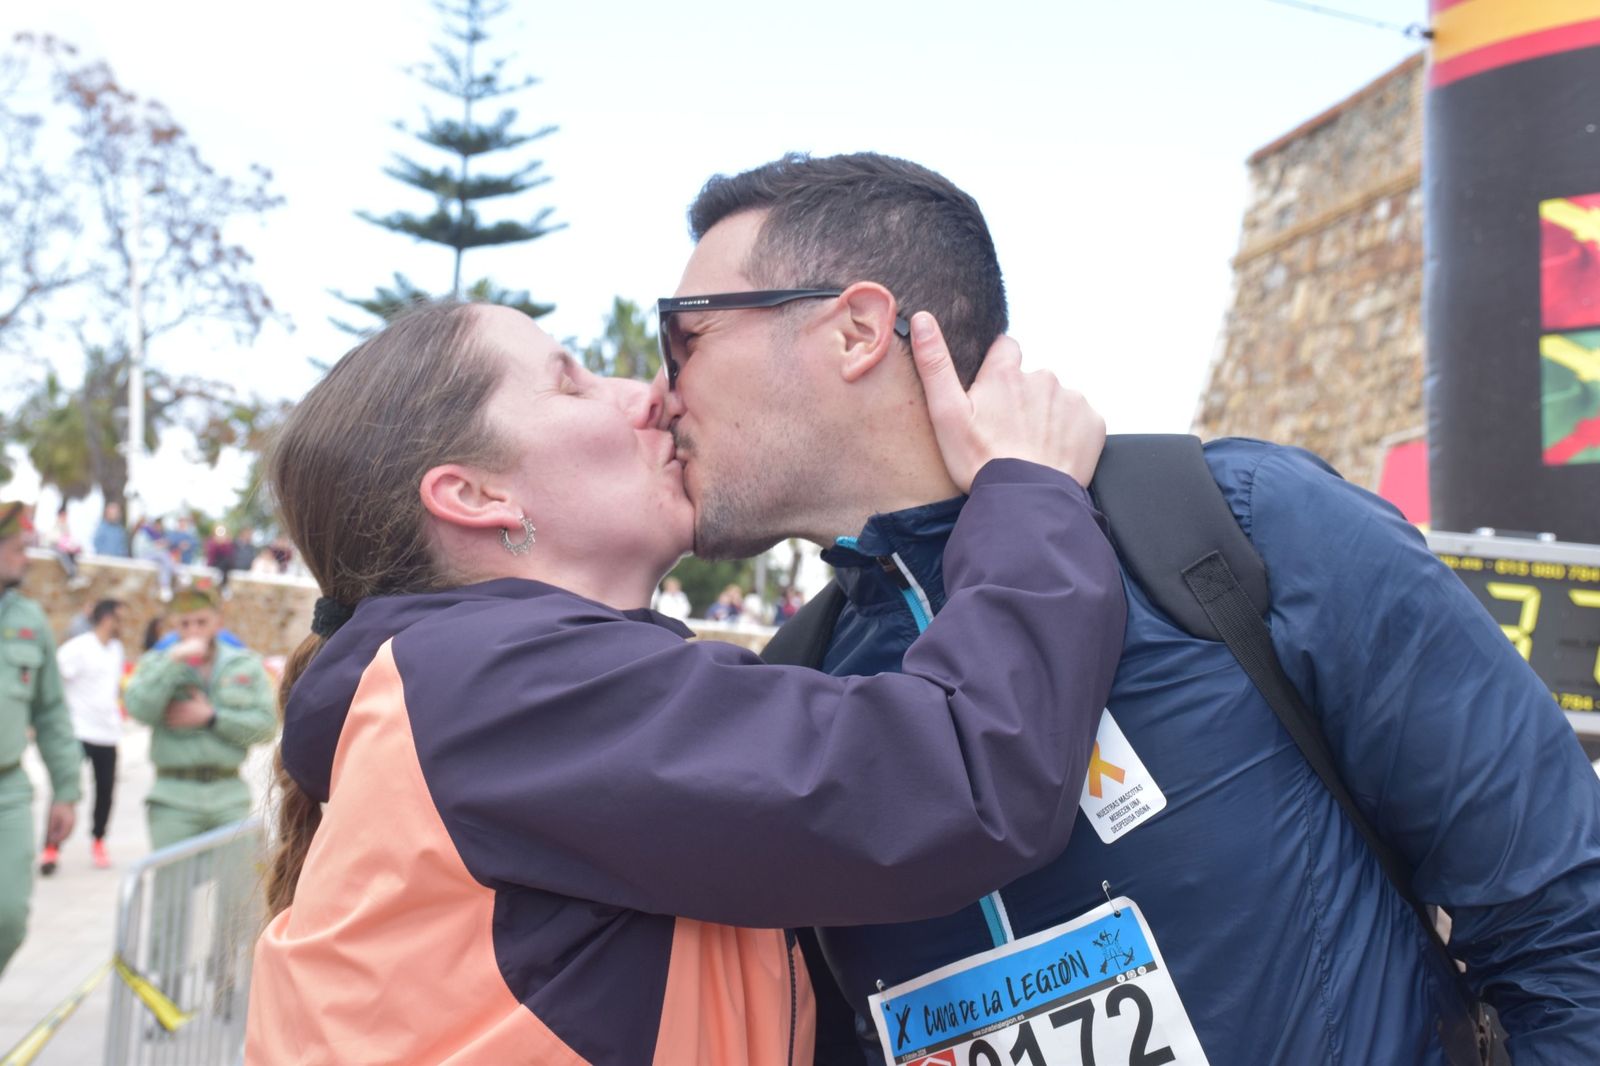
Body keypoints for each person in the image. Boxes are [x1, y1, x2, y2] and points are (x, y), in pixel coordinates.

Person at [651, 151, 1600, 1065]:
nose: (661, 394)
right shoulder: (797, 686)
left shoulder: (1240, 527)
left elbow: (1568, 933)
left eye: (684, 334)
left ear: (858, 331)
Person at [243, 300, 1125, 1064]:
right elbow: (960, 779)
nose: (648, 395)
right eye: (574, 383)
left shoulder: (463, 691)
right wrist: (1031, 489)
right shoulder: (487, 684)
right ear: (474, 496)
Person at [124, 587, 275, 849]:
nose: (194, 630)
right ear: (174, 626)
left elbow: (266, 727)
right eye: (185, 623)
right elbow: (138, 709)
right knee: (172, 888)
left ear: (218, 622)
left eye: (201, 622)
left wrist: (212, 718)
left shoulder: (244, 665)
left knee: (237, 886)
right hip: (174, 796)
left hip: (228, 793)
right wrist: (172, 662)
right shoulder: (157, 663)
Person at [0, 501, 80, 976]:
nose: (26, 558)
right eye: (16, 548)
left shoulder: (29, 619)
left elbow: (50, 712)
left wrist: (66, 791)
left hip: (8, 790)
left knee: (8, 916)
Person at [50, 598, 126, 871]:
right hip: (79, 730)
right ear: (106, 618)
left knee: (105, 792)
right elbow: (52, 679)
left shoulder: (116, 649)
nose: (123, 624)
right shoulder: (78, 647)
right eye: (120, 618)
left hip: (108, 733)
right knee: (66, 787)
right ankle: (51, 846)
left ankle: (98, 841)